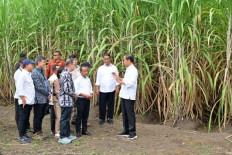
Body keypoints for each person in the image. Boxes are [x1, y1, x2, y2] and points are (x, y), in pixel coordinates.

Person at [112, 54, 138, 140]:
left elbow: (131, 82)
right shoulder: (128, 69)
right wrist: (118, 78)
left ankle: (132, 132)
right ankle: (126, 130)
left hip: (129, 95)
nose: (123, 62)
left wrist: (121, 81)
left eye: (124, 60)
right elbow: (125, 80)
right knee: (125, 113)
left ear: (129, 60)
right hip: (124, 94)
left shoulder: (133, 70)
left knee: (130, 114)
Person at [96, 54, 119, 125]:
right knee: (102, 104)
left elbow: (117, 78)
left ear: (110, 59)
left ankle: (110, 118)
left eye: (108, 59)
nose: (106, 60)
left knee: (111, 104)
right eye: (105, 59)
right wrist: (97, 88)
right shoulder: (100, 68)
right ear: (103, 60)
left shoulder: (114, 68)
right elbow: (98, 79)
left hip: (111, 89)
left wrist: (117, 87)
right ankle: (102, 118)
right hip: (103, 89)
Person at [58, 59, 78, 144]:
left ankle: (67, 134)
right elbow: (67, 89)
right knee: (64, 118)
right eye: (74, 65)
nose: (75, 66)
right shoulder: (65, 74)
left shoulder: (67, 73)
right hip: (65, 100)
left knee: (67, 118)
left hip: (68, 100)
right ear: (70, 65)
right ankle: (62, 136)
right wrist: (74, 94)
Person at [31, 56, 51, 139]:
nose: (44, 64)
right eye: (43, 62)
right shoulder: (35, 73)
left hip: (44, 97)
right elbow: (38, 86)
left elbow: (46, 83)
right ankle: (36, 132)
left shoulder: (41, 71)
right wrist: (47, 93)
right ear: (38, 62)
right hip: (39, 98)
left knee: (42, 114)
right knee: (38, 115)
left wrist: (49, 91)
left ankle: (39, 130)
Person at [17, 59, 35, 143]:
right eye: (32, 64)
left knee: (26, 118)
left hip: (29, 101)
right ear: (27, 65)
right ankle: (21, 136)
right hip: (25, 101)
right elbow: (19, 88)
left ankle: (24, 134)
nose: (33, 66)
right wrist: (23, 100)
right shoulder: (22, 75)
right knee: (23, 119)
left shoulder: (28, 74)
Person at [74, 62, 93, 138]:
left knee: (86, 115)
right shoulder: (78, 80)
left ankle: (84, 130)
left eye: (87, 71)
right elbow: (76, 91)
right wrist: (85, 95)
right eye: (84, 71)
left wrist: (91, 94)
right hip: (81, 99)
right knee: (79, 115)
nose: (86, 72)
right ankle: (78, 131)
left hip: (87, 99)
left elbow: (90, 88)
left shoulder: (88, 79)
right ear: (81, 71)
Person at [48, 64, 60, 137]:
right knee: (53, 115)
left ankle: (55, 129)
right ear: (55, 70)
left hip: (55, 99)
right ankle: (53, 129)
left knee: (56, 115)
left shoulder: (57, 77)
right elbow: (49, 88)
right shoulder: (52, 78)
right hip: (52, 99)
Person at [14, 57, 26, 130]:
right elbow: (19, 85)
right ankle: (19, 126)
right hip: (19, 95)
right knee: (19, 112)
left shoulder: (25, 71)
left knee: (24, 112)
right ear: (20, 64)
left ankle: (25, 126)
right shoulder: (18, 72)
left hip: (24, 95)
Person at [69, 54, 80, 125]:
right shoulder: (69, 69)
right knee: (71, 105)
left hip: (78, 88)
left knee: (77, 104)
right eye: (73, 60)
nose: (75, 61)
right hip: (70, 89)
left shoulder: (79, 68)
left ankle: (75, 119)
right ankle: (70, 119)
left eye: (76, 59)